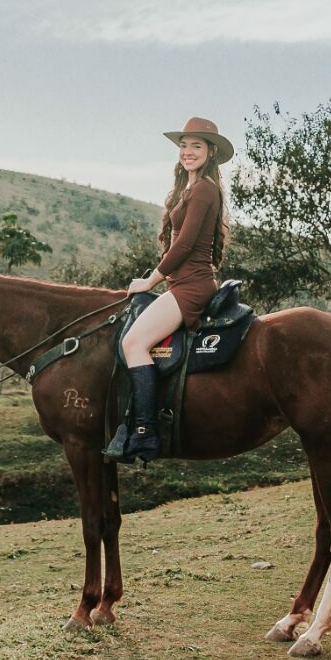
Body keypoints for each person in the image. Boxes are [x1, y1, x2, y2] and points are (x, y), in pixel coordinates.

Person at [112, 116, 233, 462]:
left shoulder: (205, 188)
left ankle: (146, 434)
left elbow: (183, 247)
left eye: (196, 145)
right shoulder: (188, 190)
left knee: (133, 342)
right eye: (183, 145)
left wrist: (150, 280)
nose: (188, 151)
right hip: (182, 285)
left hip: (191, 288)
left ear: (210, 152)